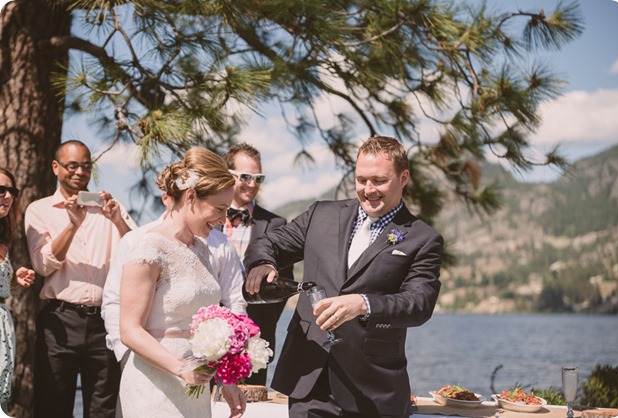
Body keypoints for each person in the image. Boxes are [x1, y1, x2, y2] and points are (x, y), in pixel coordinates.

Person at [244, 136, 444, 418]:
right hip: (308, 376)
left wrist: (364, 304)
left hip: (373, 389)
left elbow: (419, 303)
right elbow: (268, 243)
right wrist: (263, 262)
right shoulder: (320, 214)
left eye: (379, 180)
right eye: (361, 180)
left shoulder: (423, 238)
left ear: (404, 177)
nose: (368, 190)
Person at [118, 148, 246, 418]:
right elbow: (129, 330)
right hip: (155, 385)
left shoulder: (201, 249)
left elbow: (209, 322)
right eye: (219, 209)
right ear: (191, 197)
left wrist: (226, 379)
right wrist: (179, 367)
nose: (224, 219)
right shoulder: (148, 248)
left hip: (195, 385)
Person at [24, 140, 137, 418]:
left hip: (104, 322)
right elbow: (42, 264)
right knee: (53, 405)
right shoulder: (39, 209)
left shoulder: (111, 208)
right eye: (72, 165)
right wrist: (72, 225)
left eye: (86, 166)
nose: (79, 172)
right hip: (60, 320)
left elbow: (138, 254)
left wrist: (117, 220)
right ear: (56, 167)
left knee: (104, 408)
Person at [220, 143, 294, 386]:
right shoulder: (207, 219)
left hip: (256, 331)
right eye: (245, 177)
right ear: (228, 175)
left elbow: (283, 284)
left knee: (250, 401)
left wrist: (263, 317)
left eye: (257, 178)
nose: (252, 184)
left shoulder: (276, 224)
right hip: (208, 328)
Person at [0, 168, 35, 414]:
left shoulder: (3, 240)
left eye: (11, 190)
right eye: (1, 189)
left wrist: (12, 278)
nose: (7, 196)